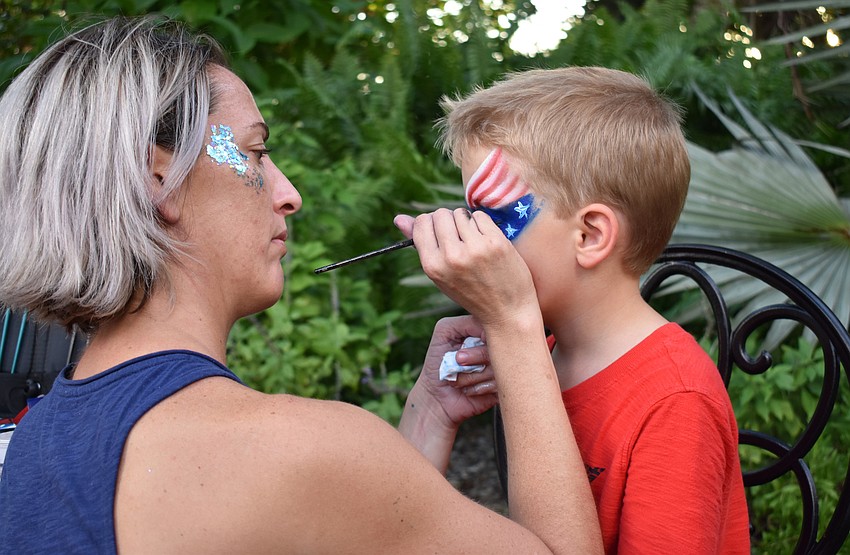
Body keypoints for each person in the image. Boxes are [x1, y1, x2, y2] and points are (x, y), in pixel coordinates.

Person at [0, 16, 603, 554]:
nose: (288, 193)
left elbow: (334, 525)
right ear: (162, 182)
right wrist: (513, 323)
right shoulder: (290, 451)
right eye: (256, 153)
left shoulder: (35, 443)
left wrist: (429, 412)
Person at [395, 67, 752, 553]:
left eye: (493, 217)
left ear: (590, 236)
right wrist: (434, 408)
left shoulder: (676, 400)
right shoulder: (538, 355)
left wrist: (509, 325)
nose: (473, 241)